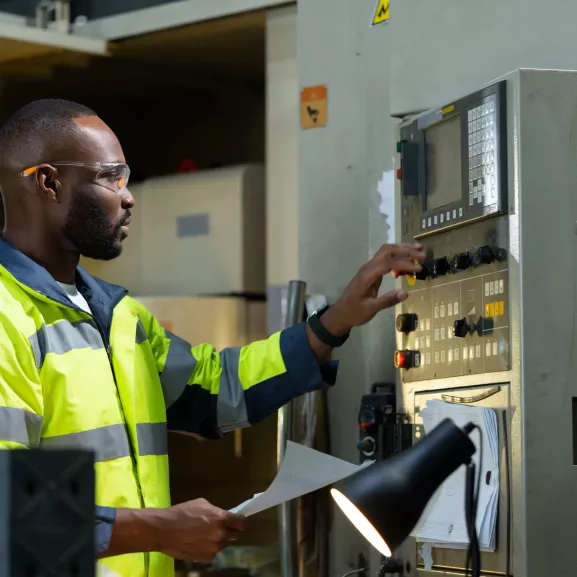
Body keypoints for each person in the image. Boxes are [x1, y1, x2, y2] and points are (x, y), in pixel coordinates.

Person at [0, 99, 425, 577]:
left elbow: (215, 388)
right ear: (49, 183)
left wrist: (332, 323)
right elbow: (8, 508)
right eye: (110, 176)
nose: (128, 196)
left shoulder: (119, 317)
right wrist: (159, 530)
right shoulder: (7, 319)